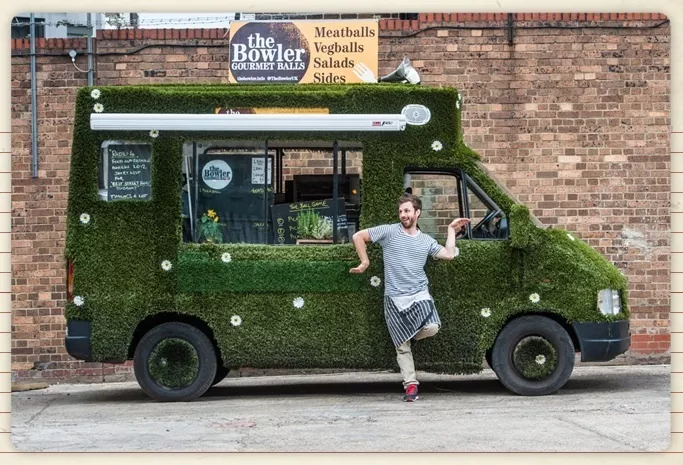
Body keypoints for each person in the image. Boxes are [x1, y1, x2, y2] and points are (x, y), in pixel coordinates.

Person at [350, 193, 470, 402]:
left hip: (419, 294)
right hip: (394, 298)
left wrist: (451, 230)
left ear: (417, 213)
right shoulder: (389, 232)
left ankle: (411, 332)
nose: (403, 215)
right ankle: (411, 385)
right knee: (401, 346)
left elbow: (449, 254)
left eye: (407, 211)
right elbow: (358, 236)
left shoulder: (425, 241)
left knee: (432, 327)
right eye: (401, 211)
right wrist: (365, 262)